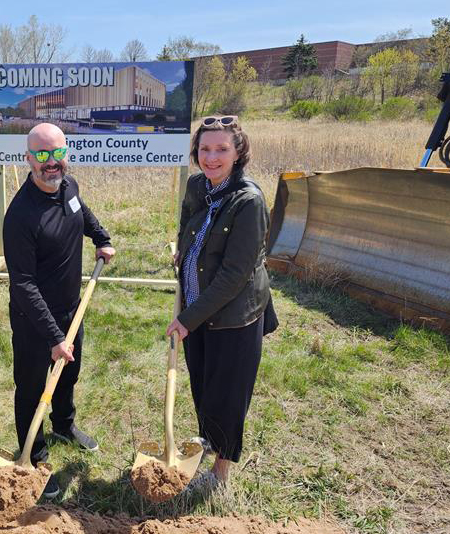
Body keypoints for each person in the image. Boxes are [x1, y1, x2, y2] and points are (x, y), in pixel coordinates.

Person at [3, 122, 116, 499]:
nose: (51, 163)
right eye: (42, 155)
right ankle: (32, 455)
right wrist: (53, 337)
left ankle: (64, 426)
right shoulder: (21, 216)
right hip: (35, 320)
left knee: (69, 375)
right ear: (28, 158)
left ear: (65, 154)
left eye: (57, 153)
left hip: (72, 307)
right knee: (35, 387)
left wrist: (101, 237)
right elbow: (23, 284)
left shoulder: (69, 186)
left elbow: (80, 211)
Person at [166, 115, 272, 495]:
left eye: (221, 149)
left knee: (227, 394)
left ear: (238, 152)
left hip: (232, 316)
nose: (211, 158)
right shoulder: (198, 185)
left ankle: (221, 474)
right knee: (204, 387)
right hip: (196, 306)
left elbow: (234, 275)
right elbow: (186, 225)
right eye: (205, 149)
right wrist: (182, 252)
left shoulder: (249, 201)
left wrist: (187, 319)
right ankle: (209, 440)